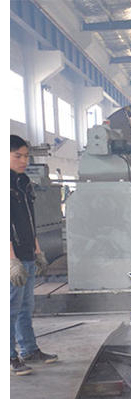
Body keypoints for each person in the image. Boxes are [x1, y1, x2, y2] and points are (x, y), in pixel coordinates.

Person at [10, 134, 57, 375]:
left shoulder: (23, 182)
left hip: (27, 253)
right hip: (12, 259)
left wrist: (37, 251)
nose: (23, 161)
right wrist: (11, 260)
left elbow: (30, 220)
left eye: (26, 156)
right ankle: (10, 357)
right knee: (10, 308)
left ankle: (29, 350)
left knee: (25, 306)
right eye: (17, 156)